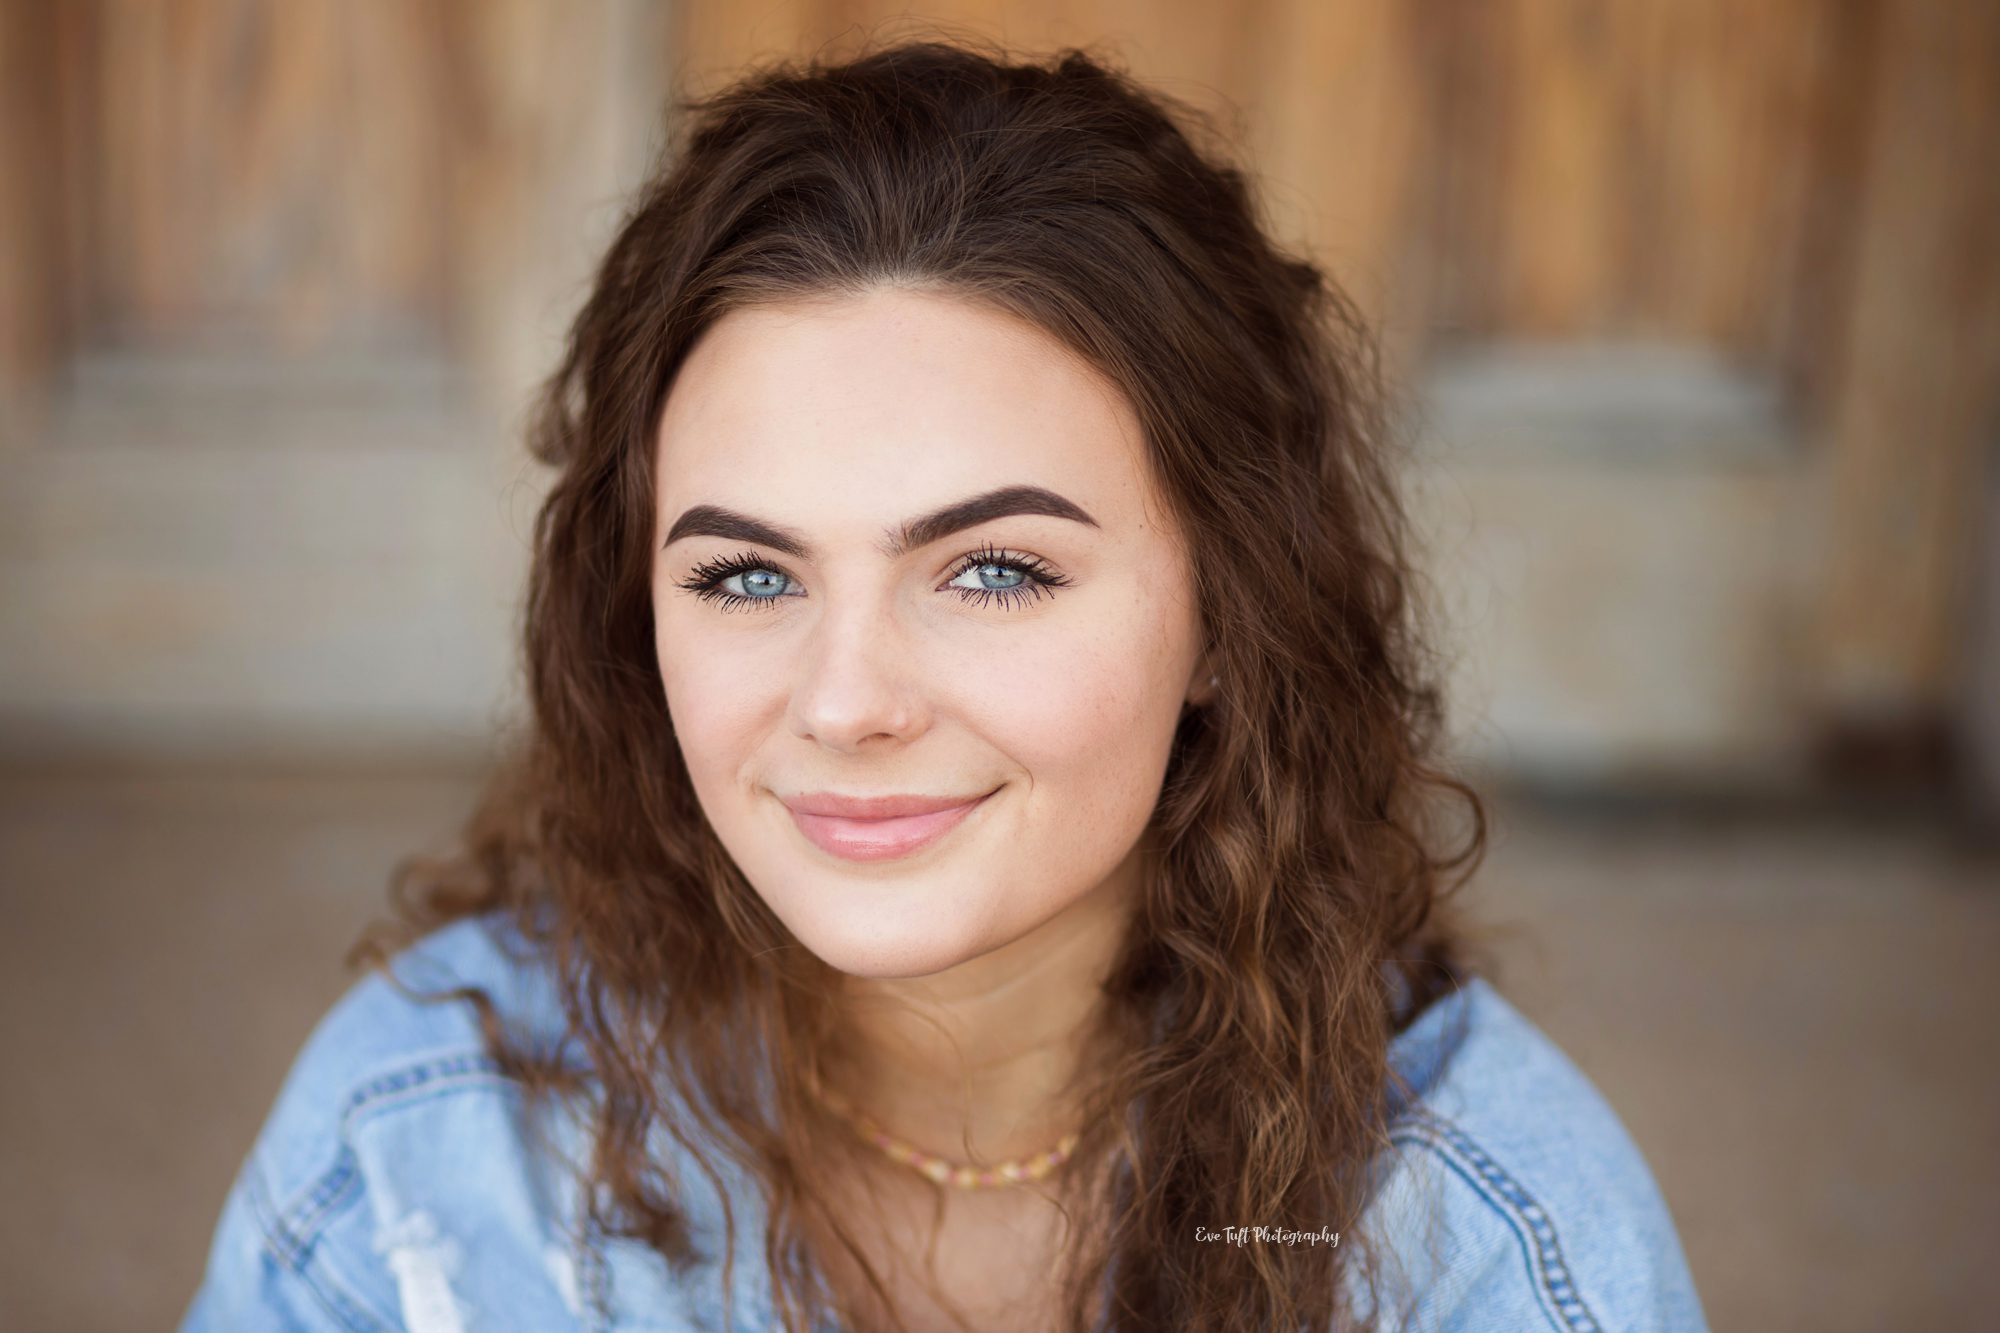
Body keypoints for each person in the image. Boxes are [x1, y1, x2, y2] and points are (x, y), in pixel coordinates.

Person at [180, 36, 1709, 1333]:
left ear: (1232, 615)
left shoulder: (1486, 1255)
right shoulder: (425, 1152)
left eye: (994, 572)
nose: (846, 703)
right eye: (747, 576)